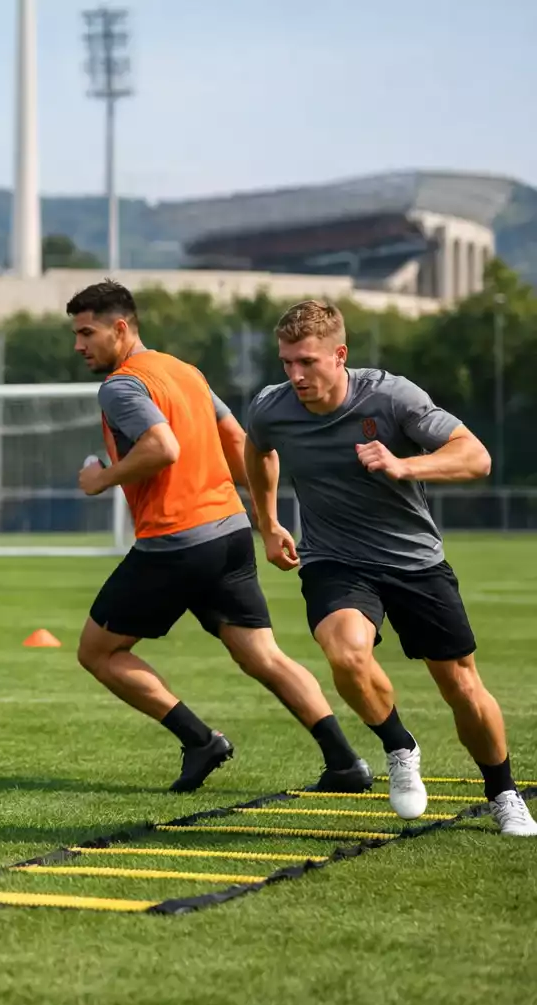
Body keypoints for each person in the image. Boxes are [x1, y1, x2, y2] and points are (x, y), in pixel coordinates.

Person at [245, 299, 536, 835]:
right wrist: (268, 524)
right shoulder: (271, 407)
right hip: (335, 559)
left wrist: (405, 464)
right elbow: (258, 450)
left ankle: (504, 792)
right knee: (345, 654)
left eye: (307, 361)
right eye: (287, 362)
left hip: (415, 563)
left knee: (462, 687)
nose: (295, 375)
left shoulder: (392, 396)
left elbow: (476, 456)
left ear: (340, 354)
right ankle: (400, 747)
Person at [70, 281, 372, 794]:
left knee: (98, 652)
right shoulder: (185, 371)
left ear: (121, 328)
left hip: (175, 542)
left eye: (86, 332)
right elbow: (243, 443)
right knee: (264, 657)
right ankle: (345, 762)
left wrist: (103, 478)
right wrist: (267, 521)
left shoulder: (121, 385)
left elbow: (161, 447)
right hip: (230, 534)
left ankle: (199, 739)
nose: (79, 345)